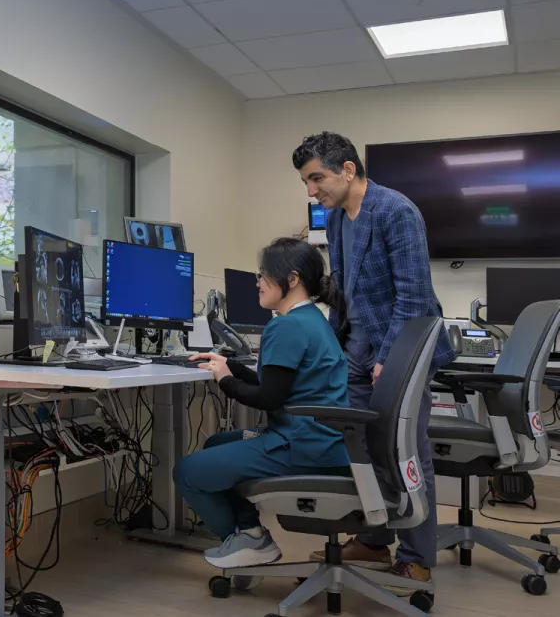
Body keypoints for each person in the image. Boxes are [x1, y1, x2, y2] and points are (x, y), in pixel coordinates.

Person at [292, 131, 456, 590]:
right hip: (359, 349)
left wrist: (392, 360)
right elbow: (343, 290)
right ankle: (372, 538)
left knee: (404, 449)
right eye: (306, 181)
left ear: (348, 169)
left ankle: (417, 554)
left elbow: (414, 295)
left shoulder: (396, 211)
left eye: (316, 178)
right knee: (360, 447)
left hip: (401, 349)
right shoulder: (339, 218)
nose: (311, 190)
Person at [174, 237, 351, 569]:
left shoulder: (286, 326)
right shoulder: (313, 320)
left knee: (186, 471)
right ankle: (250, 529)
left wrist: (225, 380)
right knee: (215, 442)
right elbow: (281, 384)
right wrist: (230, 365)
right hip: (321, 441)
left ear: (292, 279)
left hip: (301, 446)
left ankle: (249, 542)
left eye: (263, 275)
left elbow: (269, 397)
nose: (258, 282)